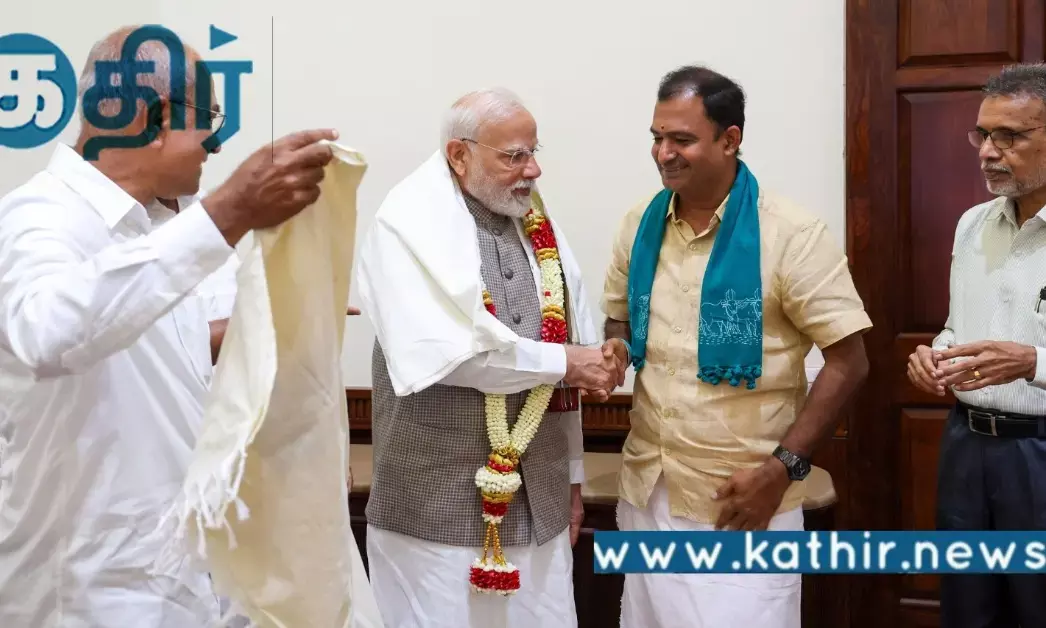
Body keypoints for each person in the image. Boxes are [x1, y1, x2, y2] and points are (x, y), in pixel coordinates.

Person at [0, 25, 339, 627]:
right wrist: (229, 212)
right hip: (90, 592)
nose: (217, 142)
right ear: (156, 119)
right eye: (208, 118)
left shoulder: (163, 226)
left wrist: (255, 330)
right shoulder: (39, 217)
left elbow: (152, 358)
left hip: (185, 576)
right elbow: (48, 334)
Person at [601, 65, 872, 628]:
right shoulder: (639, 225)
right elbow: (620, 319)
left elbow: (850, 361)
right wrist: (616, 351)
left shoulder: (791, 234)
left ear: (730, 139)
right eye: (657, 137)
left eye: (682, 139)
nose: (663, 153)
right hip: (649, 487)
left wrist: (782, 469)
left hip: (744, 501)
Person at [356, 88, 625, 628]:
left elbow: (566, 361)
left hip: (540, 505)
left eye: (533, 152)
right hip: (434, 508)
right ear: (460, 155)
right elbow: (449, 357)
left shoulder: (537, 224)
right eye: (514, 156)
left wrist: (572, 479)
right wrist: (568, 362)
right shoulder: (405, 227)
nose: (533, 170)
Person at [907, 62, 1046, 628]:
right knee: (968, 609)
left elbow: (1025, 357)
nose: (988, 152)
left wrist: (1033, 361)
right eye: (983, 135)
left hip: (1040, 449)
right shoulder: (972, 224)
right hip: (966, 446)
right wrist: (936, 354)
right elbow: (956, 325)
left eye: (1009, 137)